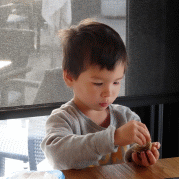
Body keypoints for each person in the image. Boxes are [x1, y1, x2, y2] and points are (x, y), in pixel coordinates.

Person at [41, 19, 161, 170]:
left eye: (116, 82)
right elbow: (58, 156)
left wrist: (138, 157)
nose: (108, 92)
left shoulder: (126, 117)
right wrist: (114, 138)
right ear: (70, 77)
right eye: (98, 83)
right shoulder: (62, 119)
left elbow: (128, 164)